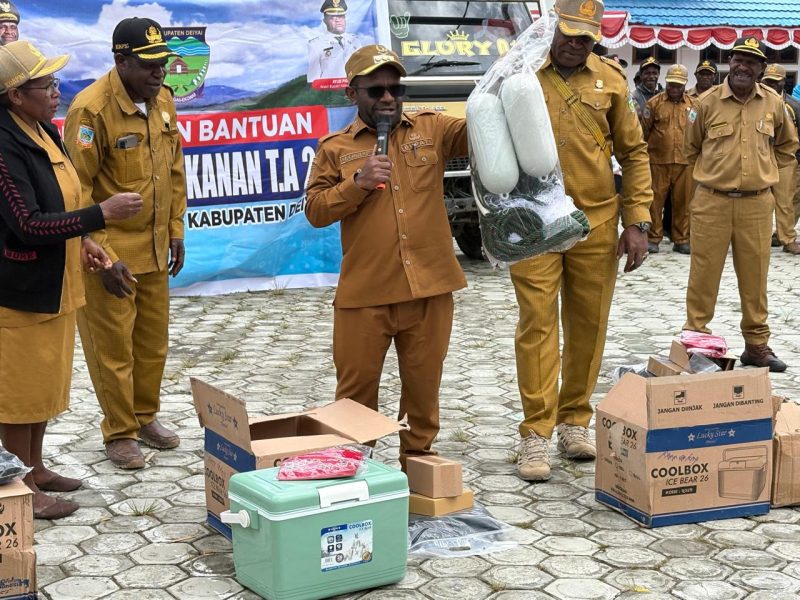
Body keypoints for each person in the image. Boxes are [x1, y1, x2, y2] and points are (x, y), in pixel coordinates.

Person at [305, 44, 468, 469]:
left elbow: (481, 130)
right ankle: (360, 473)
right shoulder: (335, 148)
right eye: (376, 90)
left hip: (429, 288)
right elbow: (316, 212)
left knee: (423, 390)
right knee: (354, 399)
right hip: (365, 294)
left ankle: (418, 468)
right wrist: (356, 183)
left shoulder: (433, 129)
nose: (388, 98)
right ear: (351, 94)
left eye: (396, 87)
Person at [511, 0, 653, 482]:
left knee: (589, 323)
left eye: (585, 37)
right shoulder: (521, 72)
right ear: (552, 28)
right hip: (533, 223)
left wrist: (637, 220)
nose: (576, 44)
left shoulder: (612, 79)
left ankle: (575, 420)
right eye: (569, 34)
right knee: (537, 322)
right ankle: (535, 432)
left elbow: (633, 152)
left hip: (595, 220)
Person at [0, 41, 142, 518]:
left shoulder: (42, 129)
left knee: (43, 388)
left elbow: (59, 204)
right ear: (16, 95)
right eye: (46, 84)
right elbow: (27, 223)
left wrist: (85, 242)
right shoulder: (3, 144)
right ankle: (17, 489)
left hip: (55, 284)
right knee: (16, 398)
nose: (56, 91)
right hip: (17, 291)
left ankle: (35, 468)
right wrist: (99, 214)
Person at [64, 17, 187, 469]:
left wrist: (175, 230)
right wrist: (103, 253)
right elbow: (76, 191)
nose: (160, 73)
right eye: (150, 65)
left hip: (155, 249)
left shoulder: (163, 101)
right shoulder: (90, 111)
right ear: (121, 60)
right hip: (108, 254)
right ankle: (119, 432)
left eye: (164, 64)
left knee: (152, 344)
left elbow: (174, 172)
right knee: (112, 347)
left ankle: (144, 416)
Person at [684, 37, 798, 373]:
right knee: (703, 276)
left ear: (761, 69)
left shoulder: (774, 104)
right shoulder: (706, 103)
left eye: (751, 61)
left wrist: (773, 184)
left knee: (755, 278)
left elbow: (787, 148)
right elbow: (691, 150)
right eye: (738, 59)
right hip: (712, 203)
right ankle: (696, 344)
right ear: (728, 63)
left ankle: (756, 346)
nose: (742, 66)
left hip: (756, 205)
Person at [642, 64, 695, 255]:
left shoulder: (694, 105)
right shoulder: (654, 104)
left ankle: (681, 239)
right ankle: (653, 237)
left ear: (685, 85)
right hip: (658, 161)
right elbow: (644, 131)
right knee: (655, 201)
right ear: (666, 82)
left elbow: (698, 132)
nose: (675, 89)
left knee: (684, 202)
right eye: (672, 84)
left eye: (679, 85)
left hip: (685, 162)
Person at [761, 63, 800, 255]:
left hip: (785, 159)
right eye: (768, 81)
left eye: (776, 82)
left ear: (783, 82)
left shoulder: (794, 106)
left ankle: (787, 238)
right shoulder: (757, 102)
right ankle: (758, 237)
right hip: (760, 157)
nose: (772, 86)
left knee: (785, 200)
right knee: (758, 200)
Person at [307, 0, 360, 82]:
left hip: (355, 90)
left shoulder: (355, 41)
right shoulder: (316, 45)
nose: (337, 20)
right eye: (332, 17)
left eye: (341, 16)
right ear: (325, 21)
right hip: (330, 92)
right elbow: (313, 80)